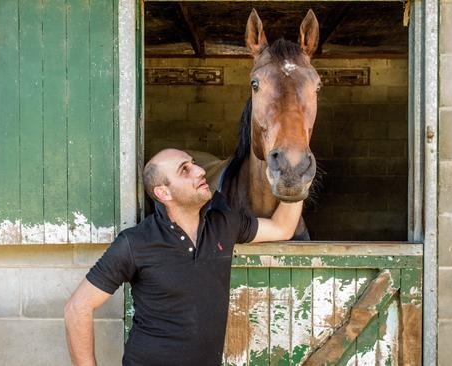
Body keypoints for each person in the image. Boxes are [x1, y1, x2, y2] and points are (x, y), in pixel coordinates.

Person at [64, 148, 304, 366]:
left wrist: (298, 178)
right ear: (163, 192)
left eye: (193, 164)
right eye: (185, 170)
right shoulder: (135, 242)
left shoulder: (224, 225)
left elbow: (282, 227)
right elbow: (78, 307)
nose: (200, 171)